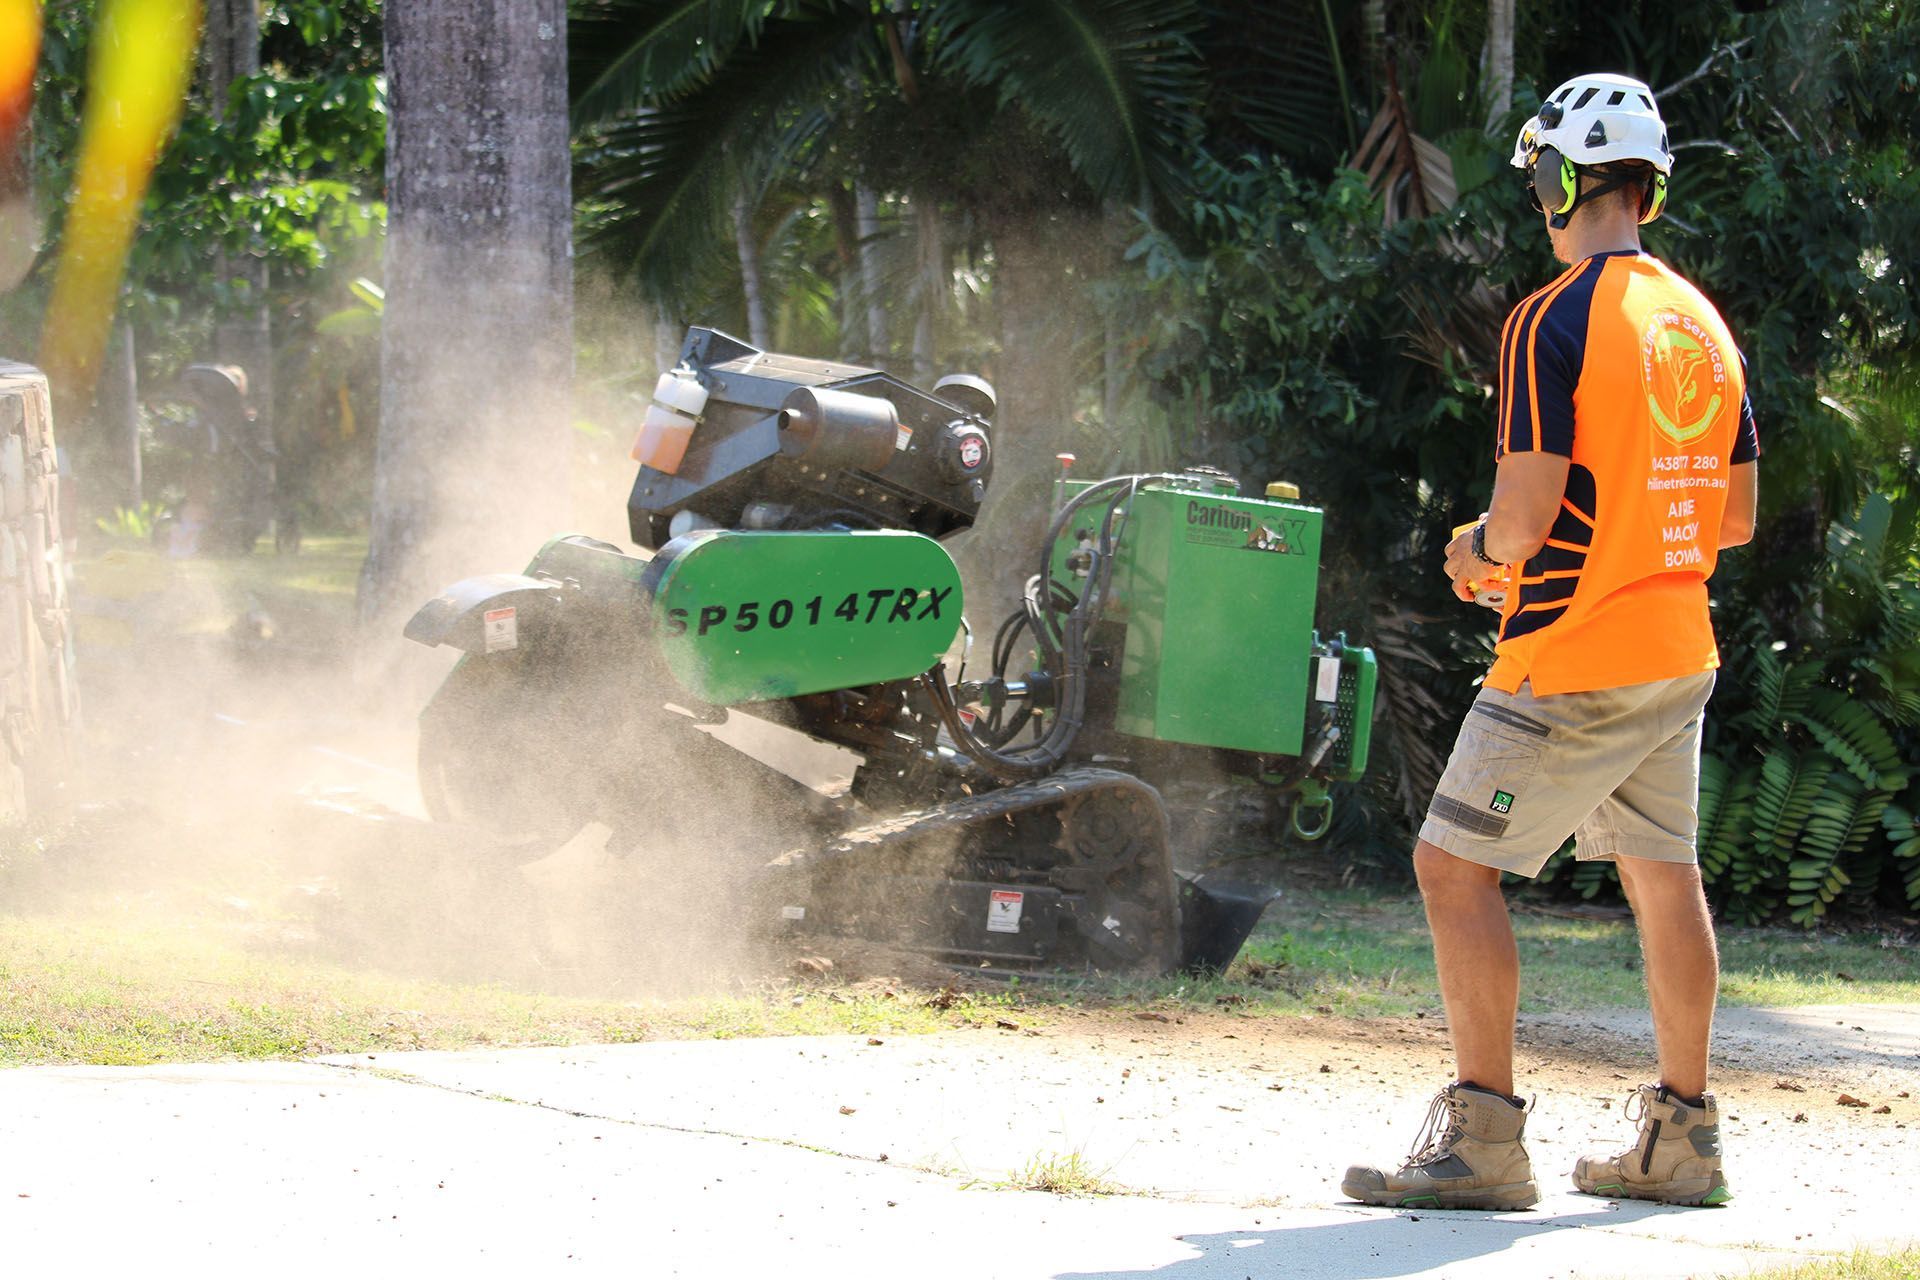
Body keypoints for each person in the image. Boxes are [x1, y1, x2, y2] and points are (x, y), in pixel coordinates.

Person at [1340, 72, 1760, 1211]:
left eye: (1541, 177)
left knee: (1450, 864)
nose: (1540, 196)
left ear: (1566, 179)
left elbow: (1523, 518)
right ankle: (1683, 1140)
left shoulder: (1551, 317)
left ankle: (1482, 1138)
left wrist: (1478, 549)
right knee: (1664, 877)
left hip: (1572, 652)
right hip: (1679, 649)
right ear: (1650, 190)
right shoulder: (1703, 325)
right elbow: (1729, 517)